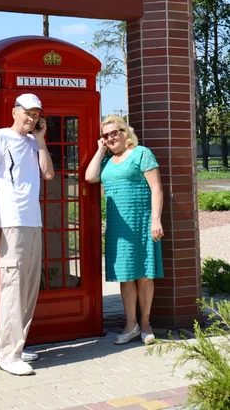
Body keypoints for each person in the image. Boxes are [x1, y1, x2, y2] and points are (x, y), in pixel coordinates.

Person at [0, 93, 55, 375]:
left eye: (37, 114)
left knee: (28, 288)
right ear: (14, 112)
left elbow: (48, 175)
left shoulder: (33, 143)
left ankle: (7, 346)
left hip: (33, 221)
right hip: (10, 221)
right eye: (28, 113)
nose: (32, 118)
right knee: (13, 288)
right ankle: (10, 357)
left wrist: (40, 140)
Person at [85, 115, 164, 345]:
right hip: (118, 227)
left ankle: (146, 323)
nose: (110, 138)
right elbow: (90, 177)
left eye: (114, 132)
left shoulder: (141, 153)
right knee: (125, 276)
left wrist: (156, 220)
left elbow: (156, 188)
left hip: (141, 221)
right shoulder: (108, 161)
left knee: (145, 275)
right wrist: (100, 150)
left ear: (125, 132)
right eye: (105, 135)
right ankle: (131, 325)